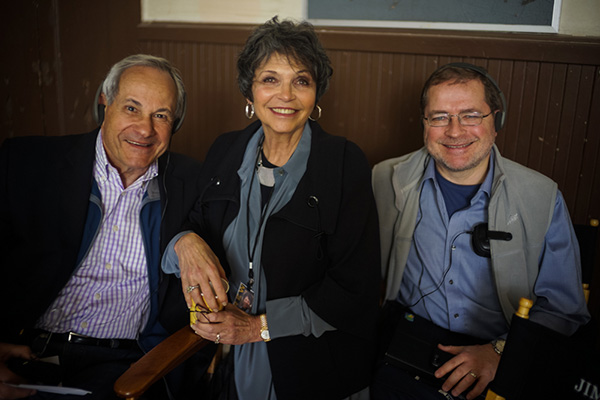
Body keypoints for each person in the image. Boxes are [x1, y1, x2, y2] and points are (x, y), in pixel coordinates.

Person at [161, 17, 381, 400]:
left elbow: (355, 290)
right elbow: (191, 224)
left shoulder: (344, 164)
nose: (286, 95)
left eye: (301, 80)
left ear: (316, 95)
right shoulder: (224, 151)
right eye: (270, 79)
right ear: (250, 92)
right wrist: (185, 243)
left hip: (309, 366)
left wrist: (255, 328)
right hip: (220, 358)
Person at [370, 63, 590, 400]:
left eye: (471, 115)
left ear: (496, 122)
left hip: (500, 361)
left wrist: (500, 352)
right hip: (406, 348)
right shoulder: (385, 179)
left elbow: (565, 309)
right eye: (439, 117)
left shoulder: (541, 197)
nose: (455, 132)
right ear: (424, 124)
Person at [0, 54, 210, 399]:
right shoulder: (27, 163)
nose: (145, 129)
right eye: (131, 108)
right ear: (105, 102)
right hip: (25, 348)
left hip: (126, 365)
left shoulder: (197, 183)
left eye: (161, 115)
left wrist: (186, 239)